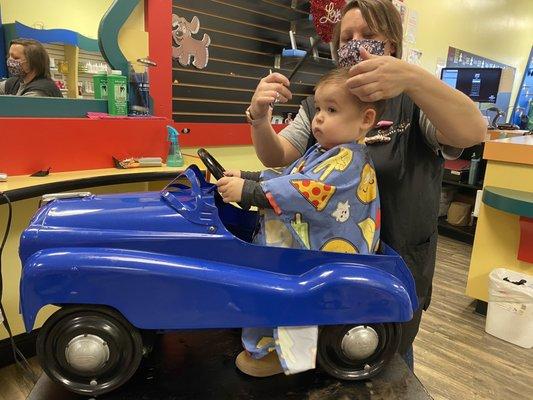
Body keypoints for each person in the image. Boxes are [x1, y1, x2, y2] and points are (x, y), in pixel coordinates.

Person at [243, 0, 486, 373]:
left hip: (397, 261)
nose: (356, 44)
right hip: (329, 261)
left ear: (391, 43)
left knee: (386, 361)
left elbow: (472, 131)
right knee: (328, 355)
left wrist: (412, 78)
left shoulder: (416, 103)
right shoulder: (322, 102)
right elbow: (277, 156)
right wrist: (260, 119)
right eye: (347, 37)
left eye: (369, 35)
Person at [217, 67, 383, 376]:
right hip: (316, 247)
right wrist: (249, 177)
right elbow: (290, 175)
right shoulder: (323, 151)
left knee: (289, 289)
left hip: (325, 255)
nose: (318, 117)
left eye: (331, 110)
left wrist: (250, 191)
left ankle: (284, 354)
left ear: (365, 120)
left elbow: (303, 190)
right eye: (318, 108)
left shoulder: (348, 161)